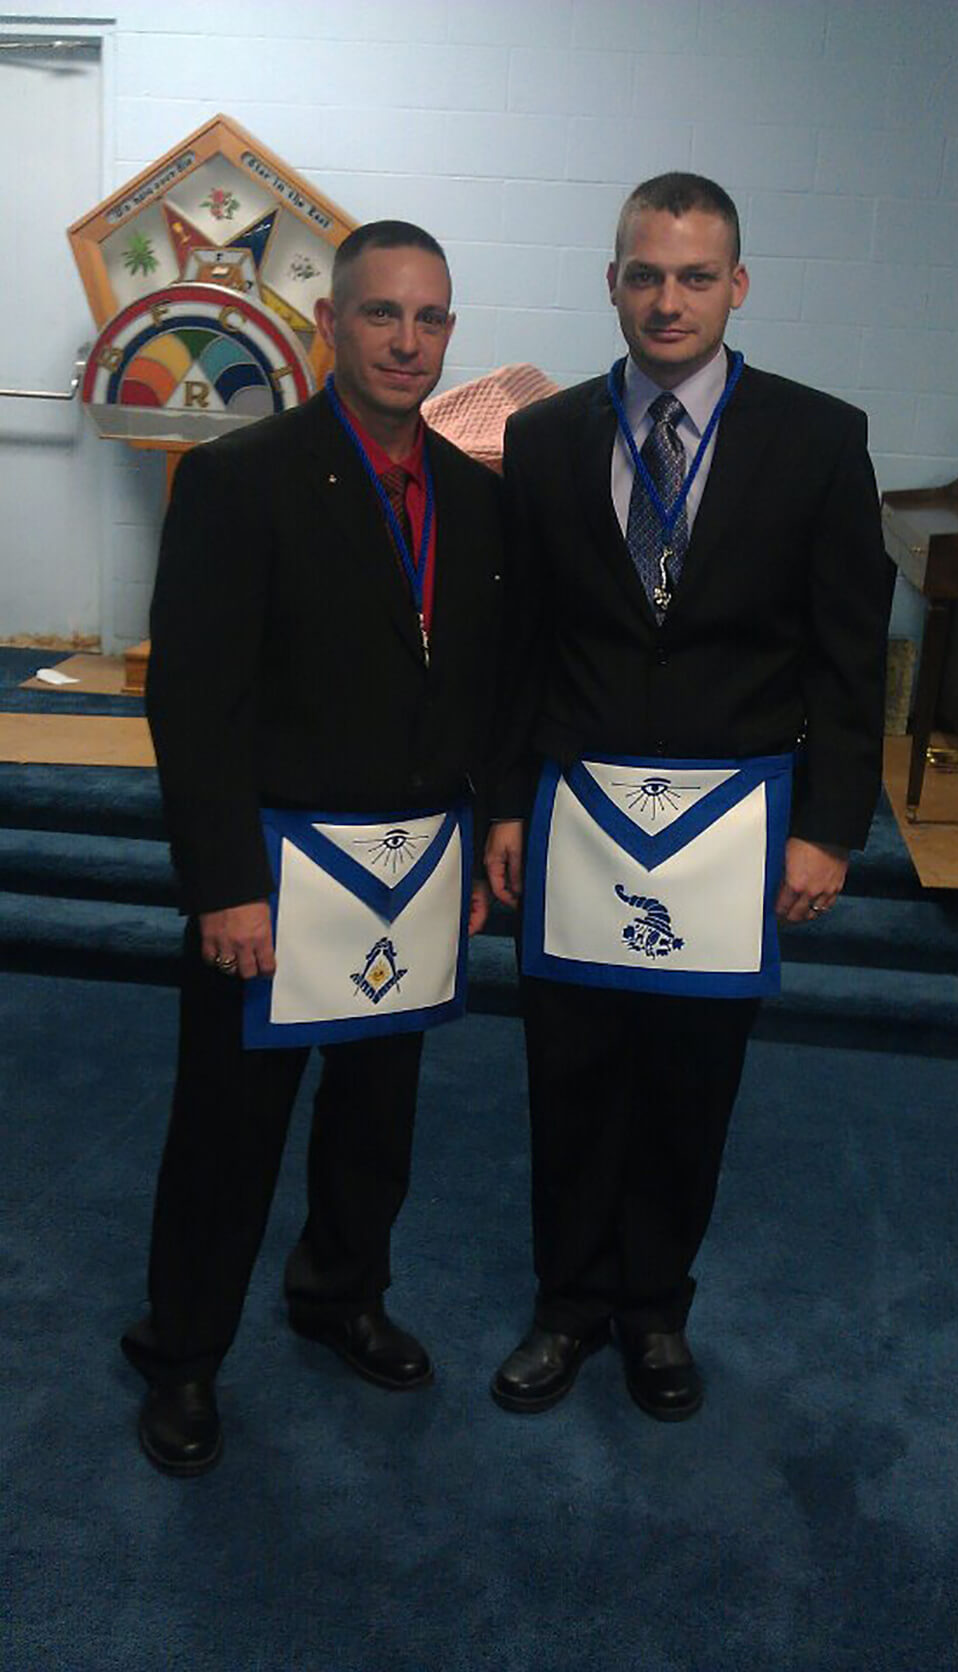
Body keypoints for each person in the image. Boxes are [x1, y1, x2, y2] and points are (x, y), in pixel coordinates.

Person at [485, 173, 893, 1422]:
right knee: (570, 1071)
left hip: (735, 823)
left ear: (738, 285)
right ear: (613, 281)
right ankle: (566, 1303)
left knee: (688, 1076)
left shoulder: (818, 435)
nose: (669, 301)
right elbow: (518, 643)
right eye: (645, 274)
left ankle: (655, 1308)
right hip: (577, 813)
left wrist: (830, 822)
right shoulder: (546, 438)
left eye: (695, 276)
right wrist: (503, 802)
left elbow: (848, 648)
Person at [122, 221, 504, 1475]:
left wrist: (478, 822)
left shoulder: (470, 494)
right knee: (229, 1131)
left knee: (376, 1117)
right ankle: (181, 1354)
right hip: (275, 877)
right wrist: (223, 882)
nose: (408, 340)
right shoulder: (242, 479)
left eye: (431, 318)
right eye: (383, 314)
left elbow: (479, 680)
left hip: (413, 866)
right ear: (328, 324)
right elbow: (194, 698)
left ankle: (339, 1292)